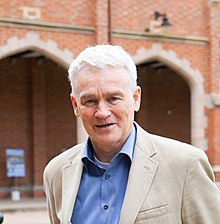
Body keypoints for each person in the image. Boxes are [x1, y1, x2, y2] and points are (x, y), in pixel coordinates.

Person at [43, 44, 220, 224]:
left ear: (135, 98)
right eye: (90, 101)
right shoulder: (56, 172)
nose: (102, 112)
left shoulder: (186, 165)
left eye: (113, 99)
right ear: (75, 105)